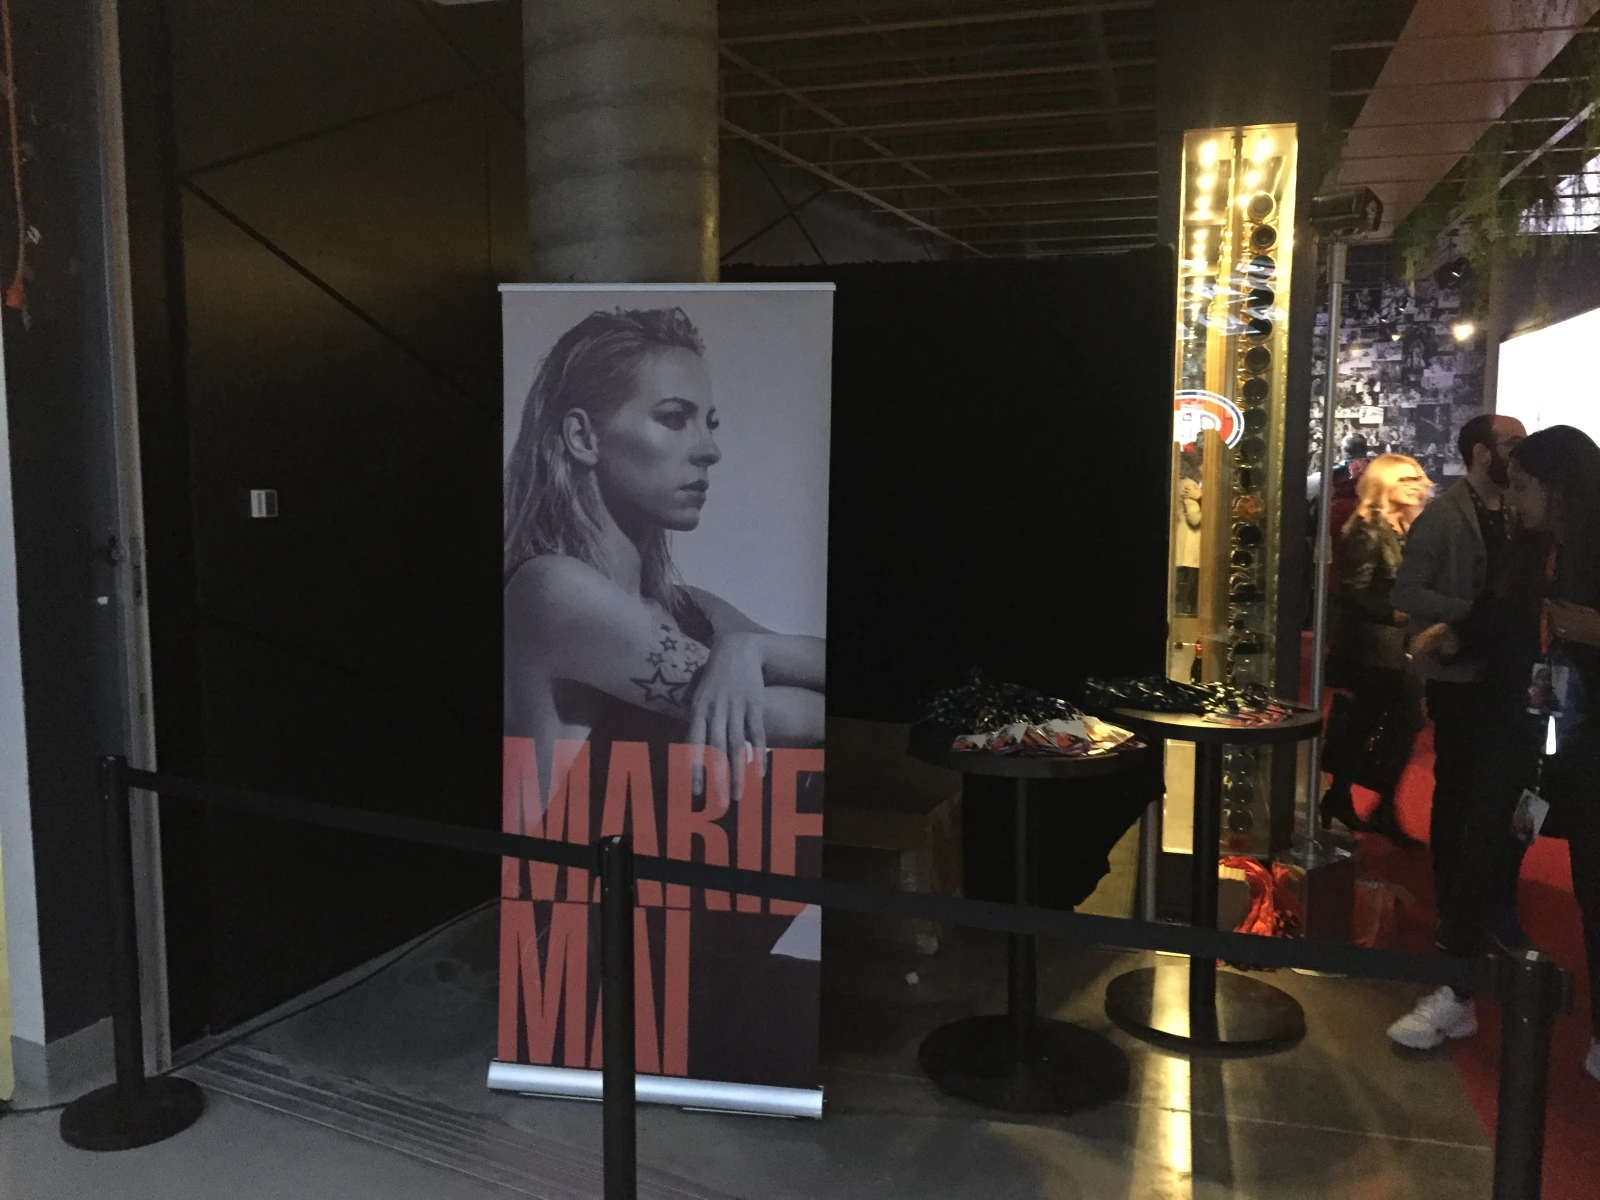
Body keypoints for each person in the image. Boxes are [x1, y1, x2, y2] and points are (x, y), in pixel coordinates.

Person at [503, 307, 825, 798]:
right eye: (675, 419)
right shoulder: (549, 590)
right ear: (583, 437)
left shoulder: (689, 609)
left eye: (709, 424)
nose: (710, 450)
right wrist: (741, 658)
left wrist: (751, 648)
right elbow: (789, 720)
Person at [1391, 426, 1600, 1082]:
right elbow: (1493, 621)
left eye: (1529, 486)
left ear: (1562, 490)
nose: (1517, 498)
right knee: (1479, 862)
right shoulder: (1524, 551)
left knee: (1595, 886)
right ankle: (1456, 994)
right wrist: (1449, 638)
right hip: (1518, 734)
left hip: (1589, 749)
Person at [1392, 413, 1528, 948]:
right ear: (1481, 452)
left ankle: (1489, 899)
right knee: (1458, 791)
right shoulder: (1443, 516)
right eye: (1512, 443)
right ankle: (1453, 899)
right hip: (1459, 676)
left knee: (1501, 794)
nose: (1519, 453)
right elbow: (1407, 592)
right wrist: (1470, 616)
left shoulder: (1518, 512)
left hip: (1507, 674)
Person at [1320, 454, 1432, 845]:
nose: (1415, 484)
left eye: (1417, 477)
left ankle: (1369, 802)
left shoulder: (1413, 527)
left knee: (1399, 725)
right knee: (1372, 724)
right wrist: (1397, 612)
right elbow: (1352, 592)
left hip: (1402, 646)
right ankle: (1351, 798)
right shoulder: (1368, 528)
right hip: (1372, 648)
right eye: (1404, 479)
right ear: (1382, 483)